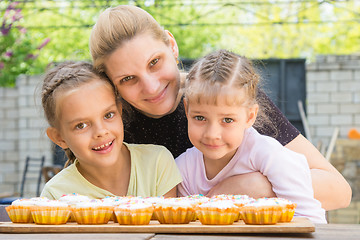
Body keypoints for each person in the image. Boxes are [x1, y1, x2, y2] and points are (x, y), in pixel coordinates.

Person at [89, 5, 351, 210]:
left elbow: (339, 191)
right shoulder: (115, 130)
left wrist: (254, 187)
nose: (151, 86)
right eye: (127, 79)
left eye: (154, 62)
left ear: (172, 45)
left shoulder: (226, 95)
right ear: (112, 86)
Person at [175, 49, 326, 223]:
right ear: (187, 110)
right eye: (200, 118)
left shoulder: (270, 156)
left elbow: (309, 218)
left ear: (250, 116)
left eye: (227, 119)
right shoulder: (184, 169)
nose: (212, 134)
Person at [40, 61, 182, 200]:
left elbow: (166, 223)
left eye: (108, 115)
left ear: (119, 111)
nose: (101, 131)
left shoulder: (157, 163)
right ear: (59, 138)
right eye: (81, 125)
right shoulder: (55, 195)